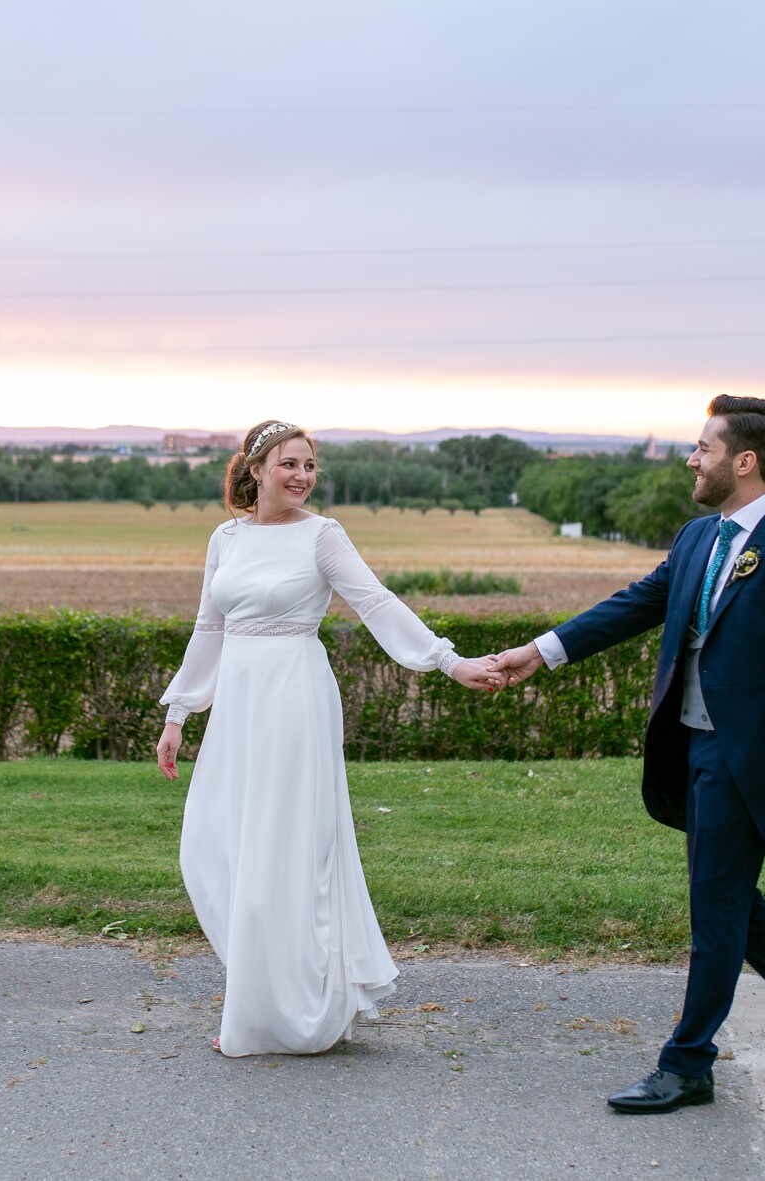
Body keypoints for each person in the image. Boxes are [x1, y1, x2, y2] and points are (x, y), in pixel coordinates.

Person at [491, 395, 765, 1114]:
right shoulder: (699, 538)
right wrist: (539, 652)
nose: (692, 460)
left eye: (702, 447)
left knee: (716, 912)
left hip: (747, 760)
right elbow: (635, 603)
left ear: (745, 460)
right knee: (726, 898)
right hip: (694, 751)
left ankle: (688, 1063)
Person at [156, 420, 503, 1057]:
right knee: (213, 841)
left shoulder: (323, 536)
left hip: (294, 699)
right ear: (255, 469)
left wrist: (449, 662)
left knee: (282, 849)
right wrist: (179, 711)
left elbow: (377, 603)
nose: (302, 477)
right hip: (239, 706)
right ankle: (263, 990)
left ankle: (283, 1009)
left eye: (310, 466)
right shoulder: (225, 539)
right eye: (289, 464)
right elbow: (209, 628)